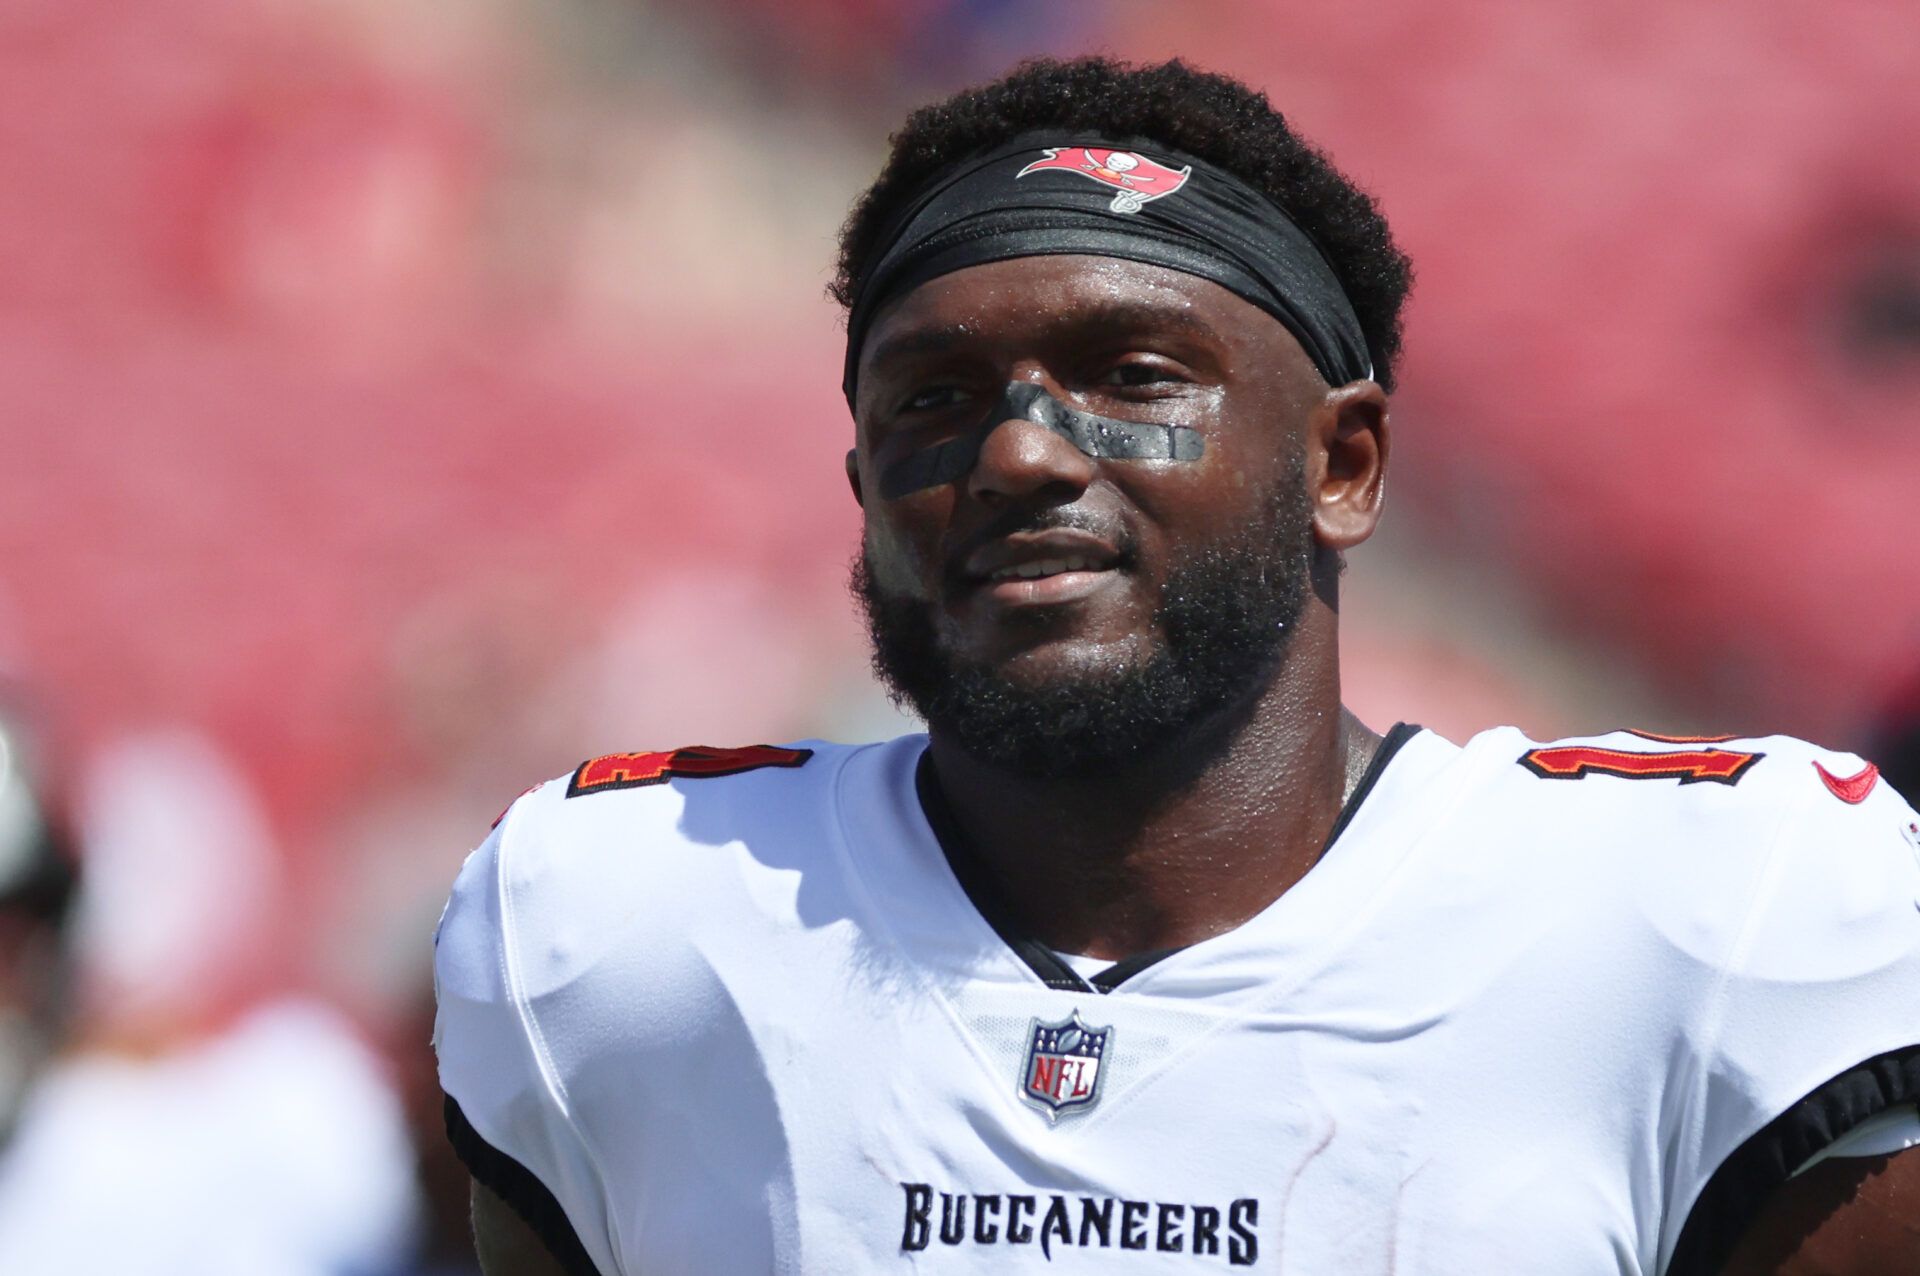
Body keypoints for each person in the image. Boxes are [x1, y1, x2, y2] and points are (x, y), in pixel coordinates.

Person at [432, 57, 1920, 1274]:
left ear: (1342, 464)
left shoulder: (1713, 919)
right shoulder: (617, 923)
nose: (1016, 451)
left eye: (1134, 376)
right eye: (932, 398)